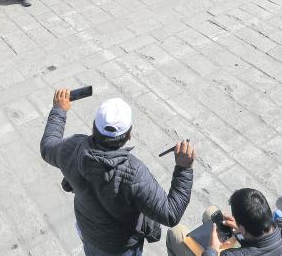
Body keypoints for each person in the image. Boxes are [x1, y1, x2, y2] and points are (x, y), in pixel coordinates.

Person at [40, 91, 195, 256]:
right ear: (129, 135)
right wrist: (183, 168)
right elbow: (170, 214)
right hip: (120, 247)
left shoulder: (71, 148)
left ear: (94, 127)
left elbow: (47, 145)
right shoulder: (134, 173)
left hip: (88, 231)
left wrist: (59, 109)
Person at [166, 188, 282, 256]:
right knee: (211, 213)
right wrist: (242, 229)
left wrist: (212, 249)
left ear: (242, 228)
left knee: (176, 232)